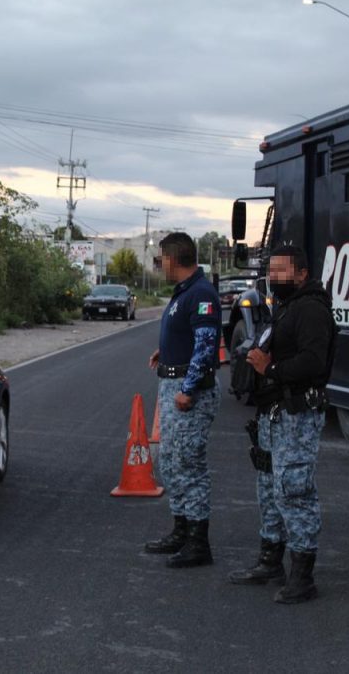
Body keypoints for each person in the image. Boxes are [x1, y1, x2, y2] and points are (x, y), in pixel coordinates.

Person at [229, 244, 334, 603]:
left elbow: (313, 361)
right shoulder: (287, 308)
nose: (273, 277)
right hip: (274, 413)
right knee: (269, 488)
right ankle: (270, 561)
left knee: (294, 490)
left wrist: (270, 369)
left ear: (301, 273)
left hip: (298, 415)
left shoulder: (311, 310)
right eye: (271, 270)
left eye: (281, 271)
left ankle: (302, 576)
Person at [144, 232, 222, 568]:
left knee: (190, 465)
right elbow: (191, 337)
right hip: (172, 383)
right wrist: (168, 352)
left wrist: (188, 390)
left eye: (160, 259)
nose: (159, 265)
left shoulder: (202, 293)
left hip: (188, 393)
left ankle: (198, 542)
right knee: (170, 461)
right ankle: (180, 529)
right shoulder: (185, 292)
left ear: (173, 259)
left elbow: (206, 347)